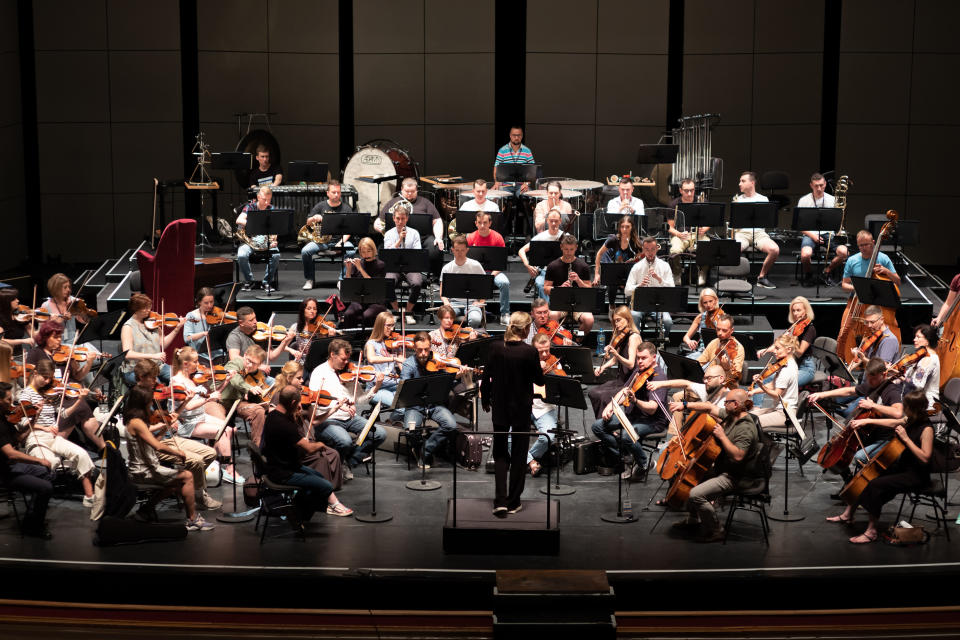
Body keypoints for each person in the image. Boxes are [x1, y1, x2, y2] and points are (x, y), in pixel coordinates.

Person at [825, 389, 933, 544]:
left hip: (916, 475)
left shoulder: (926, 429)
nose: (903, 409)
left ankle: (871, 531)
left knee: (875, 485)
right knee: (867, 476)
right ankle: (849, 514)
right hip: (902, 467)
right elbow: (892, 422)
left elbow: (925, 457)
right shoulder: (910, 419)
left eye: (906, 406)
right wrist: (867, 421)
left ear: (913, 408)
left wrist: (906, 439)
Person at [671, 388, 762, 543]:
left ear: (736, 404)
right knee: (692, 477)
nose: (723, 404)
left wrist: (722, 436)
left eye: (726, 402)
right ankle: (693, 519)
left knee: (696, 494)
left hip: (735, 476)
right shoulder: (731, 415)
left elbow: (738, 456)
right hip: (723, 468)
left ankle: (716, 530)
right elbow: (709, 407)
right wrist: (685, 405)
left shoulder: (745, 428)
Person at [122, 385, 214, 531]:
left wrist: (166, 427)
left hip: (148, 467)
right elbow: (158, 447)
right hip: (143, 470)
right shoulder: (137, 423)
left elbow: (155, 442)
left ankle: (145, 511)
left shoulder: (137, 420)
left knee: (176, 483)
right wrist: (178, 453)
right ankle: (192, 519)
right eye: (150, 402)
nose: (152, 404)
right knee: (187, 476)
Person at [133, 359, 222, 509]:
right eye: (152, 378)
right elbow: (140, 430)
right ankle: (199, 496)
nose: (156, 381)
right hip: (152, 444)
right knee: (197, 461)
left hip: (168, 437)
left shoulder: (155, 394)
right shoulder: (136, 399)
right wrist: (164, 423)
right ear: (141, 378)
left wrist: (186, 402)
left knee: (210, 453)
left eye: (156, 377)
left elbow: (172, 417)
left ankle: (188, 487)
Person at [479, 312, 544, 515]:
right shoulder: (530, 352)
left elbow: (486, 376)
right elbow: (540, 381)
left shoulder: (495, 348)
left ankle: (500, 501)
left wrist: (485, 400)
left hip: (500, 407)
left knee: (499, 453)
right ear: (525, 330)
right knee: (518, 454)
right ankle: (514, 502)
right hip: (522, 409)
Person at [261, 385, 353, 525]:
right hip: (284, 473)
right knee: (325, 486)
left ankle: (297, 510)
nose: (300, 405)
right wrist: (321, 445)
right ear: (292, 403)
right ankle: (299, 518)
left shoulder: (272, 416)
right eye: (298, 402)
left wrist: (293, 416)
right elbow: (309, 448)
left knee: (319, 477)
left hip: (280, 465)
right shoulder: (285, 425)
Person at [807, 357, 904, 480]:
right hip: (868, 434)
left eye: (873, 378)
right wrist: (822, 394)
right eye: (868, 376)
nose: (869, 380)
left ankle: (864, 488)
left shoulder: (891, 390)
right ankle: (849, 483)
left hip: (884, 438)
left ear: (883, 374)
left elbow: (898, 413)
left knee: (859, 456)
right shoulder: (872, 383)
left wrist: (873, 405)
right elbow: (849, 391)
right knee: (838, 453)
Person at [17, 360, 96, 506]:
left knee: (82, 454)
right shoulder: (25, 395)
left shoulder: (49, 394)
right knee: (51, 462)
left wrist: (79, 400)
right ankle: (39, 500)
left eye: (50, 378)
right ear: (35, 374)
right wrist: (42, 424)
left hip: (53, 437)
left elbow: (64, 414)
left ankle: (89, 497)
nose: (48, 381)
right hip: (36, 437)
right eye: (45, 377)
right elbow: (22, 423)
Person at [308, 339, 387, 476]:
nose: (346, 363)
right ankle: (339, 465)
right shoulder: (319, 373)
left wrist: (377, 386)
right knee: (345, 441)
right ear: (333, 355)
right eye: (343, 359)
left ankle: (349, 462)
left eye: (348, 359)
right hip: (328, 419)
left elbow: (360, 400)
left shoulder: (350, 373)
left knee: (380, 434)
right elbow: (314, 403)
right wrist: (338, 406)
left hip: (350, 418)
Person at [592, 341, 668, 481]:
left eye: (643, 358)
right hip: (632, 416)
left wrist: (635, 401)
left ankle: (644, 464)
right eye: (638, 358)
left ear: (654, 357)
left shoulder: (659, 378)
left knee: (627, 436)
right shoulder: (638, 371)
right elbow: (624, 391)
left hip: (652, 421)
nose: (639, 361)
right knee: (597, 427)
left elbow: (652, 409)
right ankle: (628, 456)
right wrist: (610, 407)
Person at [27, 320, 104, 450]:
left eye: (60, 337)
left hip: (68, 392)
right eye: (55, 337)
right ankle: (55, 447)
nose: (59, 341)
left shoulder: (66, 353)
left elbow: (78, 376)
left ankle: (103, 448)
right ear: (45, 337)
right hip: (47, 394)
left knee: (82, 406)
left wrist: (89, 362)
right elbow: (30, 379)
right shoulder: (36, 353)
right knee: (74, 409)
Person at [169, 347, 242, 485]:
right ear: (185, 364)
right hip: (187, 423)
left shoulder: (191, 378)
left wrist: (226, 381)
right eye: (195, 362)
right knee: (224, 431)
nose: (198, 365)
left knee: (231, 429)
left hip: (201, 417)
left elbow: (212, 397)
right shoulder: (177, 382)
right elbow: (188, 406)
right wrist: (208, 399)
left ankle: (210, 461)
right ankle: (229, 468)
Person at [0, 381, 54, 538]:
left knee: (48, 472)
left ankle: (31, 520)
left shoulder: (4, 418)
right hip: (4, 472)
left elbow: (18, 439)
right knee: (45, 487)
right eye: (8, 400)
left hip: (12, 465)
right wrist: (37, 460)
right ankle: (34, 528)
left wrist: (33, 419)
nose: (13, 404)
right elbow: (11, 453)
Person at [399, 332, 460, 470]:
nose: (423, 354)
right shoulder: (409, 365)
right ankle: (421, 448)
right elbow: (404, 389)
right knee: (410, 431)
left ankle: (425, 451)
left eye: (426, 349)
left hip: (434, 405)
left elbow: (447, 382)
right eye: (420, 350)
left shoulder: (436, 362)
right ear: (414, 348)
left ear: (430, 347)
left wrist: (456, 375)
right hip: (415, 406)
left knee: (450, 425)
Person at [379, 178, 445, 278]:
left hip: (423, 239)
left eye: (412, 191)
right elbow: (379, 221)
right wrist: (381, 228)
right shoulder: (393, 202)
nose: (409, 194)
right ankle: (388, 276)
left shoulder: (425, 203)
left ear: (417, 190)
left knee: (436, 249)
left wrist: (438, 238)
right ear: (401, 189)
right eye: (407, 191)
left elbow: (437, 221)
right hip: (396, 238)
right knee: (381, 249)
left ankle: (434, 278)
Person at [648, 364, 729, 437]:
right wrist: (660, 384)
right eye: (704, 378)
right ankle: (675, 435)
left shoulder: (727, 399)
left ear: (721, 378)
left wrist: (708, 412)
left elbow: (727, 424)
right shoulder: (706, 388)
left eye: (709, 378)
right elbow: (686, 383)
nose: (705, 381)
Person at [301, 180, 355, 290]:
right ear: (328, 193)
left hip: (339, 241)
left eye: (338, 192)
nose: (336, 195)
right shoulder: (320, 206)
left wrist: (342, 243)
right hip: (322, 242)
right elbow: (308, 222)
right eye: (334, 192)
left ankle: (342, 280)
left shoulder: (346, 208)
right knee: (305, 251)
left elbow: (349, 229)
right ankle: (309, 279)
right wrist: (314, 217)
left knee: (351, 251)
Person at [589, 306, 642, 415]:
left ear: (627, 319)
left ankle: (604, 427)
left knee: (603, 397)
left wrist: (617, 354)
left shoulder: (633, 337)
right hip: (621, 379)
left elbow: (631, 364)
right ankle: (605, 425)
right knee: (593, 393)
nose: (616, 324)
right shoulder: (622, 336)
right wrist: (602, 367)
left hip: (630, 381)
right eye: (615, 321)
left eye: (619, 320)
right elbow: (613, 360)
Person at [797, 172, 848, 285]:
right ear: (811, 185)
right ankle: (809, 275)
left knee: (844, 252)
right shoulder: (804, 200)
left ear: (825, 184)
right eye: (816, 186)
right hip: (810, 234)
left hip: (828, 234)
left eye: (821, 185)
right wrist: (813, 236)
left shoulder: (832, 200)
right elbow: (799, 226)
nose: (819, 188)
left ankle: (826, 272)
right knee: (805, 255)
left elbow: (838, 222)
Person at [731, 171, 778, 289]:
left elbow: (767, 220)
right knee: (733, 248)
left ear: (752, 183)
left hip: (759, 234)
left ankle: (761, 277)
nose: (739, 184)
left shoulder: (763, 199)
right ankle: (739, 276)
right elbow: (734, 223)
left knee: (774, 249)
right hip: (742, 234)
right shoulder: (737, 200)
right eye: (740, 181)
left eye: (743, 181)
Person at [757, 296, 817, 387]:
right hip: (790, 364)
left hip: (805, 368)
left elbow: (800, 352)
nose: (795, 313)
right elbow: (780, 344)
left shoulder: (810, 329)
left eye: (798, 310)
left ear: (806, 311)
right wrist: (766, 350)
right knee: (762, 380)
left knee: (780, 383)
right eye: (793, 311)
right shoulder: (794, 326)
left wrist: (791, 340)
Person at [542, 234, 594, 337]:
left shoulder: (583, 266)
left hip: (578, 304)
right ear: (561, 247)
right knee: (552, 315)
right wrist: (559, 289)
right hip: (559, 303)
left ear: (576, 248)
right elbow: (546, 288)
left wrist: (579, 281)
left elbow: (589, 289)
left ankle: (576, 338)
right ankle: (559, 339)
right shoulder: (553, 266)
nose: (568, 253)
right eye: (566, 249)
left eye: (571, 249)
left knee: (589, 320)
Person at [221, 344, 273, 447]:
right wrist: (249, 388)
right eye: (248, 360)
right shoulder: (234, 364)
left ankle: (262, 448)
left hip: (238, 403)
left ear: (259, 364)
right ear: (244, 355)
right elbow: (235, 380)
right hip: (223, 402)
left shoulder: (257, 372)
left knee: (263, 411)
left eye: (254, 363)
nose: (249, 365)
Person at [623, 236, 674, 336]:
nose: (650, 252)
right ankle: (637, 343)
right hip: (640, 303)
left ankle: (661, 345)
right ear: (643, 249)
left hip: (658, 304)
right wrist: (640, 285)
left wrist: (659, 279)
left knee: (668, 322)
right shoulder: (637, 267)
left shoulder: (664, 266)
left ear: (657, 249)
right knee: (634, 316)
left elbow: (672, 289)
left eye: (653, 249)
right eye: (647, 249)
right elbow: (627, 291)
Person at [527, 333, 562, 476]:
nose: (545, 354)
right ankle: (531, 463)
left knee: (548, 437)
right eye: (540, 351)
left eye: (547, 350)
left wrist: (550, 370)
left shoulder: (554, 362)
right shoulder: (525, 362)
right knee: (508, 435)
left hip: (545, 409)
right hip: (525, 406)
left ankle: (528, 459)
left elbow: (563, 383)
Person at [467, 211, 510, 325]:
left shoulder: (497, 237)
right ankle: (474, 311)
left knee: (504, 282)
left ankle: (505, 313)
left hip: (494, 272)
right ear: (476, 223)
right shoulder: (470, 238)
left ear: (490, 223)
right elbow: (467, 261)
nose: (482, 225)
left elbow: (501, 262)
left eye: (485, 223)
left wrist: (491, 276)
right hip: (476, 272)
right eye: (479, 223)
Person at [594, 215, 642, 318]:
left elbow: (643, 258)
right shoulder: (613, 239)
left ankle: (630, 310)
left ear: (632, 227)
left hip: (629, 275)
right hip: (615, 273)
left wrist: (638, 257)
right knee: (612, 283)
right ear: (619, 227)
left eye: (627, 227)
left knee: (632, 287)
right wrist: (597, 274)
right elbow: (599, 254)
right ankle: (612, 306)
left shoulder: (636, 243)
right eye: (622, 226)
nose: (624, 229)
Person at [748, 334, 799, 429]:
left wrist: (761, 385)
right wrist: (754, 391)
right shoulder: (786, 364)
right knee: (747, 417)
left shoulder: (787, 370)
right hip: (779, 409)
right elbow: (772, 385)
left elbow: (776, 395)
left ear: (788, 349)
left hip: (785, 414)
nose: (774, 351)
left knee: (750, 423)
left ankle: (769, 444)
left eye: (777, 348)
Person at [383, 205, 423, 326]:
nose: (400, 221)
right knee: (387, 281)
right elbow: (387, 254)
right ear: (394, 218)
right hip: (394, 267)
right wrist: (399, 240)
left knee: (417, 283)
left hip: (410, 267)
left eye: (403, 219)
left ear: (407, 219)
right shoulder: (389, 234)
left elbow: (418, 253)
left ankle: (408, 312)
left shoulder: (414, 233)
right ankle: (396, 311)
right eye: (398, 218)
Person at [236, 185, 280, 292]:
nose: (267, 203)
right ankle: (249, 281)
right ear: (258, 197)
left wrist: (274, 241)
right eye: (264, 199)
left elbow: (275, 228)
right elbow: (239, 220)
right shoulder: (250, 207)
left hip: (266, 242)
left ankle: (266, 283)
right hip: (250, 242)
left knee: (276, 255)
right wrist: (255, 225)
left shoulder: (272, 209)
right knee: (241, 255)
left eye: (269, 200)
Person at [667, 178, 710, 286]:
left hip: (699, 235)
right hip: (681, 235)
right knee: (675, 250)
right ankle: (676, 274)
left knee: (708, 246)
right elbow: (670, 227)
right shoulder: (674, 204)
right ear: (681, 190)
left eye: (692, 190)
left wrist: (704, 229)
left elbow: (710, 221)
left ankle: (702, 273)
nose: (690, 193)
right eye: (686, 191)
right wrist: (678, 234)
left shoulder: (702, 202)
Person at [341, 237, 389, 330]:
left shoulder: (380, 265)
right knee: (348, 314)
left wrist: (360, 269)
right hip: (359, 299)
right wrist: (349, 269)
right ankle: (351, 338)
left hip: (376, 301)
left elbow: (372, 284)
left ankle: (369, 339)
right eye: (363, 252)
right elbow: (349, 285)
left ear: (373, 250)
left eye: (368, 251)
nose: (366, 254)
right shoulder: (358, 263)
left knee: (367, 315)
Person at [440, 235, 487, 329]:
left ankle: (469, 339)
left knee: (475, 319)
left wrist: (481, 302)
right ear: (452, 250)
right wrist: (446, 302)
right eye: (457, 250)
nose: (460, 253)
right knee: (445, 318)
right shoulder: (447, 268)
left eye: (462, 250)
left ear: (467, 250)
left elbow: (485, 286)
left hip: (472, 303)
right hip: (453, 303)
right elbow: (442, 291)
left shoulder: (475, 265)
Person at [364, 311, 404, 417]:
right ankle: (392, 421)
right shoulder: (371, 344)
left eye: (393, 325)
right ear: (380, 325)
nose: (392, 329)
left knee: (412, 404)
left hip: (395, 384)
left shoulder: (395, 342)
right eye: (388, 326)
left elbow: (401, 363)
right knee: (402, 407)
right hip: (377, 388)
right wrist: (393, 358)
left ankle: (392, 422)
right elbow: (371, 359)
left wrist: (406, 369)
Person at [518, 208, 564, 300]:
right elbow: (521, 250)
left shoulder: (565, 237)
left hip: (561, 272)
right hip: (544, 272)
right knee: (539, 283)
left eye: (556, 221)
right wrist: (528, 265)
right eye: (551, 221)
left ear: (560, 221)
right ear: (547, 221)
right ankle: (547, 310)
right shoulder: (541, 236)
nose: (554, 224)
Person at [225, 306, 292, 364]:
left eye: (255, 318)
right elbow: (234, 357)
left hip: (262, 375)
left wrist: (284, 342)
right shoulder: (234, 336)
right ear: (241, 323)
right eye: (251, 320)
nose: (255, 322)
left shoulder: (262, 333)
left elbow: (272, 357)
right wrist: (257, 365)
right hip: (245, 375)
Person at [41, 273, 95, 343]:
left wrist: (83, 314)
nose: (68, 290)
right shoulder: (46, 306)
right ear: (56, 289)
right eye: (65, 287)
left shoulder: (73, 301)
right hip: (54, 342)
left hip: (73, 341)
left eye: (69, 287)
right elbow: (42, 331)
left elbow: (83, 321)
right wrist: (57, 321)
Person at [695, 313, 745, 389]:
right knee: (678, 395)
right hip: (709, 383)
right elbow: (700, 361)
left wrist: (727, 369)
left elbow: (735, 377)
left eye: (724, 330)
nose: (720, 333)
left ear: (731, 330)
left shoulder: (739, 348)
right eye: (718, 329)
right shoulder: (714, 342)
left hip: (727, 387)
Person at [846, 305, 900, 373]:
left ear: (882, 320)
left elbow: (881, 367)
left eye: (872, 322)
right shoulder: (873, 336)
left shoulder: (889, 340)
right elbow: (860, 358)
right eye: (866, 322)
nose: (869, 325)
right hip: (867, 379)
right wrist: (848, 370)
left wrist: (864, 359)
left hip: (878, 383)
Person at [900, 324, 940, 411]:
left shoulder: (928, 360)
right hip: (916, 400)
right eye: (915, 337)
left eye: (918, 337)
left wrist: (901, 377)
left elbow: (917, 385)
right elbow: (909, 374)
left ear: (927, 340)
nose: (914, 339)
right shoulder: (923, 356)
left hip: (925, 405)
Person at [492, 125, 534, 195]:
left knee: (527, 196)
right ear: (510, 136)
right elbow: (496, 168)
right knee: (497, 196)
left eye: (519, 135)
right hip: (505, 185)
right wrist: (496, 182)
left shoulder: (527, 151)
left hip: (521, 185)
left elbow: (532, 170)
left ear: (522, 136)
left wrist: (526, 184)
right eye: (514, 135)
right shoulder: (502, 150)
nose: (516, 137)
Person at [681, 288, 721, 359]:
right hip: (703, 352)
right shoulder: (700, 318)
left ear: (716, 300)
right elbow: (686, 337)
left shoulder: (722, 317)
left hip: (718, 352)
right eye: (705, 302)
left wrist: (716, 323)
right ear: (702, 304)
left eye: (710, 301)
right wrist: (689, 342)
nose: (708, 305)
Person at [182, 287, 218, 357]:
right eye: (206, 303)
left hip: (216, 353)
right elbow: (187, 338)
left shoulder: (217, 314)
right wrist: (203, 334)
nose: (210, 305)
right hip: (198, 354)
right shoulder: (191, 316)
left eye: (212, 302)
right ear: (199, 302)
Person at [0, 288, 35, 354]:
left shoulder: (20, 315)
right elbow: (2, 341)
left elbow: (31, 332)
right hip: (5, 355)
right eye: (14, 299)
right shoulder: (1, 319)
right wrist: (23, 341)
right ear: (6, 302)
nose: (18, 301)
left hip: (20, 353)